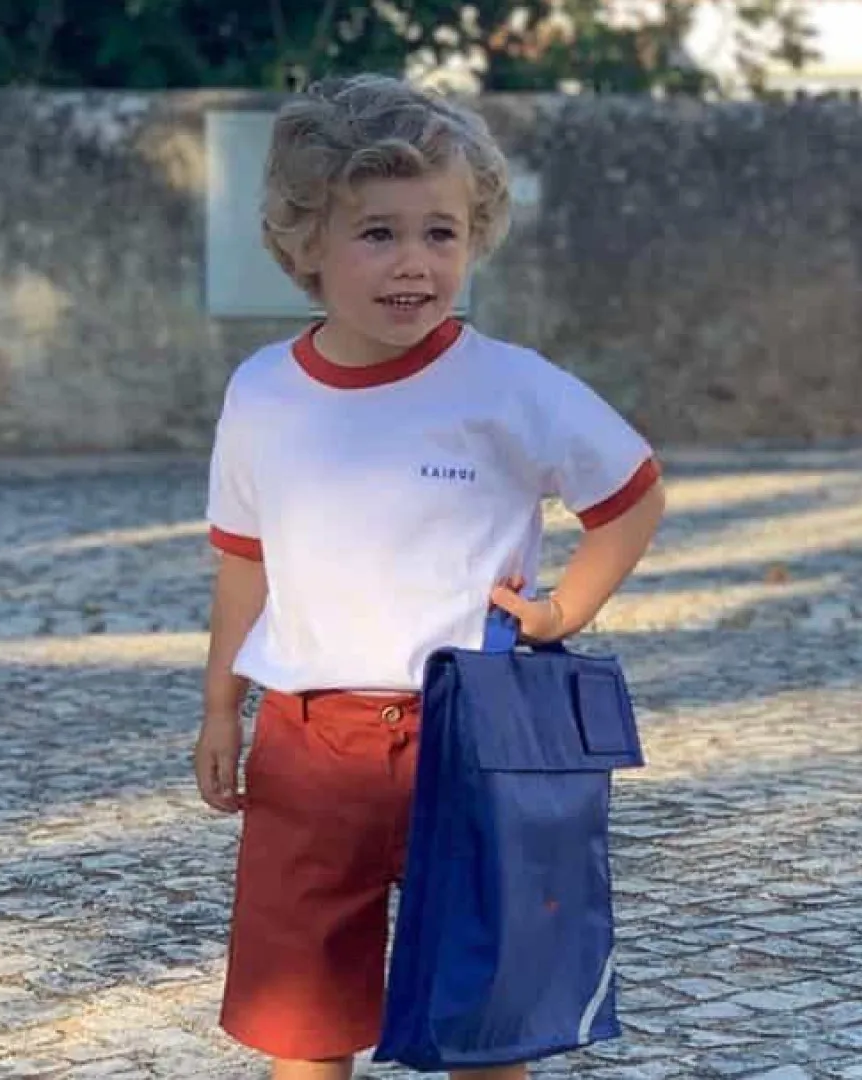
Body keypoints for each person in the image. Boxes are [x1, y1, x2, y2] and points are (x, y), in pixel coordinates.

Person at [191, 73, 666, 1080]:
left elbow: (630, 496)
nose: (414, 262)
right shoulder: (263, 394)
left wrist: (563, 609)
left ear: (474, 236)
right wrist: (220, 709)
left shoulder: (512, 386)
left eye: (440, 233)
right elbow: (245, 561)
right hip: (308, 745)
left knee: (486, 1015)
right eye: (378, 233)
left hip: (474, 740)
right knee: (303, 1017)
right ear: (306, 242)